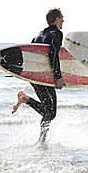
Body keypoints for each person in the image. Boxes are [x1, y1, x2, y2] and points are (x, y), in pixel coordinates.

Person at [12, 8, 66, 143]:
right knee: (51, 112)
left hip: (34, 76)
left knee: (48, 111)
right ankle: (41, 139)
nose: (64, 20)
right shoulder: (57, 33)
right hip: (45, 77)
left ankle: (42, 140)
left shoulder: (37, 36)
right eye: (62, 18)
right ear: (57, 19)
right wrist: (58, 77)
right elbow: (53, 54)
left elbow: (31, 56)